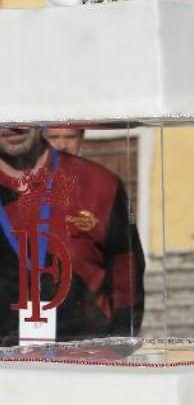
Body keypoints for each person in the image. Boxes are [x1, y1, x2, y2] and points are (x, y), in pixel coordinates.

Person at [0, 127, 144, 345]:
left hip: (83, 366)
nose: (12, 124)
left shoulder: (100, 184)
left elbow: (126, 280)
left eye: (21, 111)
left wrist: (116, 356)